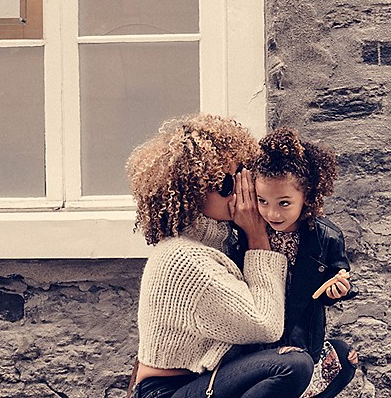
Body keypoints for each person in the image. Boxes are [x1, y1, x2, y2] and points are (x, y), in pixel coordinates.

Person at [126, 113, 314, 398]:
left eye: (243, 177)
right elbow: (266, 324)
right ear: (191, 192)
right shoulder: (183, 258)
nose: (241, 193)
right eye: (227, 185)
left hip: (207, 381)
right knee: (291, 367)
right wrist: (257, 236)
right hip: (168, 391)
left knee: (335, 357)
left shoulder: (218, 244)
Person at [247, 126, 358, 398]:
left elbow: (335, 277)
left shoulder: (327, 237)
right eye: (262, 201)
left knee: (341, 360)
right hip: (256, 341)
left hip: (302, 337)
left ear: (306, 197)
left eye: (284, 203)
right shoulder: (248, 231)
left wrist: (338, 289)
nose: (272, 213)